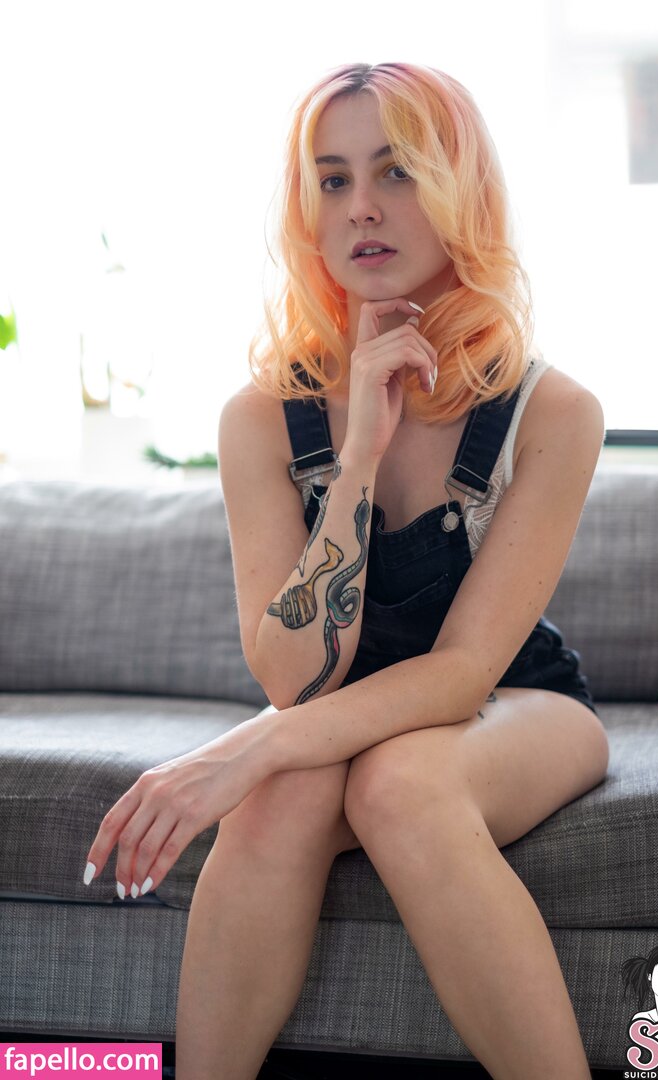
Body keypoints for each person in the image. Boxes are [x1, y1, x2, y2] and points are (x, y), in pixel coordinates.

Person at [82, 61, 611, 1079]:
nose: (361, 206)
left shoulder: (554, 412)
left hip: (514, 698)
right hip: (335, 702)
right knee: (282, 796)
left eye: (396, 170)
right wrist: (359, 456)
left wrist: (247, 749)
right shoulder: (259, 420)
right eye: (332, 179)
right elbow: (293, 680)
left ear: (462, 189)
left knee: (400, 784)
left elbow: (462, 676)